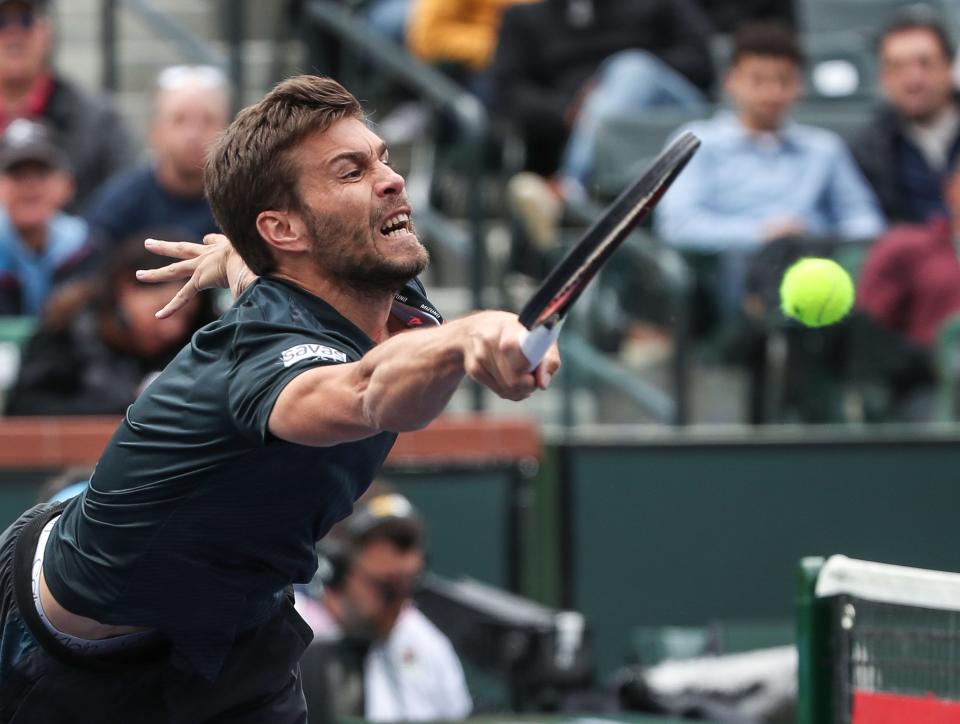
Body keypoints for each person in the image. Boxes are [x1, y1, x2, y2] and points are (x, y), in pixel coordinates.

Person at [0, 75, 559, 722]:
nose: (391, 179)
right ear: (285, 228)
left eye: (383, 158)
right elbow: (367, 391)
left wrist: (236, 257)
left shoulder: (393, 303)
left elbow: (389, 377)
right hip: (56, 658)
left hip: (233, 634)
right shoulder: (264, 349)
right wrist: (469, 335)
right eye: (351, 171)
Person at [654, 22, 884, 316]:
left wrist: (817, 241)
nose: (772, 93)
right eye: (758, 80)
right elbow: (679, 225)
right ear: (731, 81)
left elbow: (865, 220)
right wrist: (761, 234)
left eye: (784, 80)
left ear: (799, 84)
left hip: (817, 268)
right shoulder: (697, 143)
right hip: (732, 279)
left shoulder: (825, 149)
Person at [493, 0, 715, 249]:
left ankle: (569, 189)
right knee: (623, 77)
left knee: (631, 69)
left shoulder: (663, 4)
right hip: (568, 127)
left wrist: (610, 79)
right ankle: (576, 192)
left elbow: (701, 64)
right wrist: (567, 111)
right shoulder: (524, 17)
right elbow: (507, 90)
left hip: (665, 114)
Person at [296, 491, 472, 722]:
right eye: (387, 588)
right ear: (338, 572)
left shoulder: (428, 645)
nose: (400, 602)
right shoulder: (291, 635)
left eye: (409, 586)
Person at [4, 237, 214, 416]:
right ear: (127, 288)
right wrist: (127, 405)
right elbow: (26, 406)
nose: (173, 329)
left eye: (186, 317)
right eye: (166, 309)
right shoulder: (66, 329)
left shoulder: (194, 343)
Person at [0, 0, 137, 209]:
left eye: (26, 20)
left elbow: (124, 205)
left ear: (47, 31)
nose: (14, 34)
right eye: (1, 21)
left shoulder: (99, 121)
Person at [84, 66, 228, 251]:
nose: (194, 134)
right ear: (154, 131)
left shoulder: (245, 204)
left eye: (208, 120)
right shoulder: (120, 204)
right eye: (179, 120)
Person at [850, 11, 960, 224]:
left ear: (948, 67)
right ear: (883, 78)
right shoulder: (867, 149)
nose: (913, 79)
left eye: (925, 63)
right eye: (897, 67)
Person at [0, 118, 94, 316]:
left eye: (41, 173)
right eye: (17, 174)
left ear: (67, 185)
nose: (29, 185)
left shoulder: (87, 250)